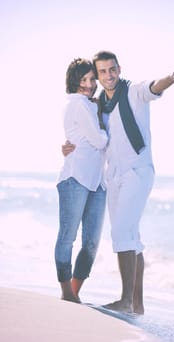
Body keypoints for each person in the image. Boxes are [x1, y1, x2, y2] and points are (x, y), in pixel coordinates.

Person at [62, 51, 174, 313]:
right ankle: (138, 304)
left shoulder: (133, 92)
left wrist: (173, 77)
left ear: (119, 69)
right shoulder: (98, 105)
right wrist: (68, 147)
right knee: (131, 236)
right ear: (97, 76)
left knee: (120, 233)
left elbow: (155, 86)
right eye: (102, 72)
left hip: (137, 171)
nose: (108, 76)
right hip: (114, 176)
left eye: (112, 70)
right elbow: (87, 135)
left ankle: (126, 300)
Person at [55, 58, 108, 303]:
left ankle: (74, 293)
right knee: (68, 236)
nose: (88, 84)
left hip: (97, 182)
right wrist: (103, 129)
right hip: (75, 178)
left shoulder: (88, 104)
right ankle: (67, 291)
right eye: (83, 79)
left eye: (91, 79)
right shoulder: (79, 104)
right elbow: (99, 141)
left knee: (91, 243)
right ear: (74, 81)